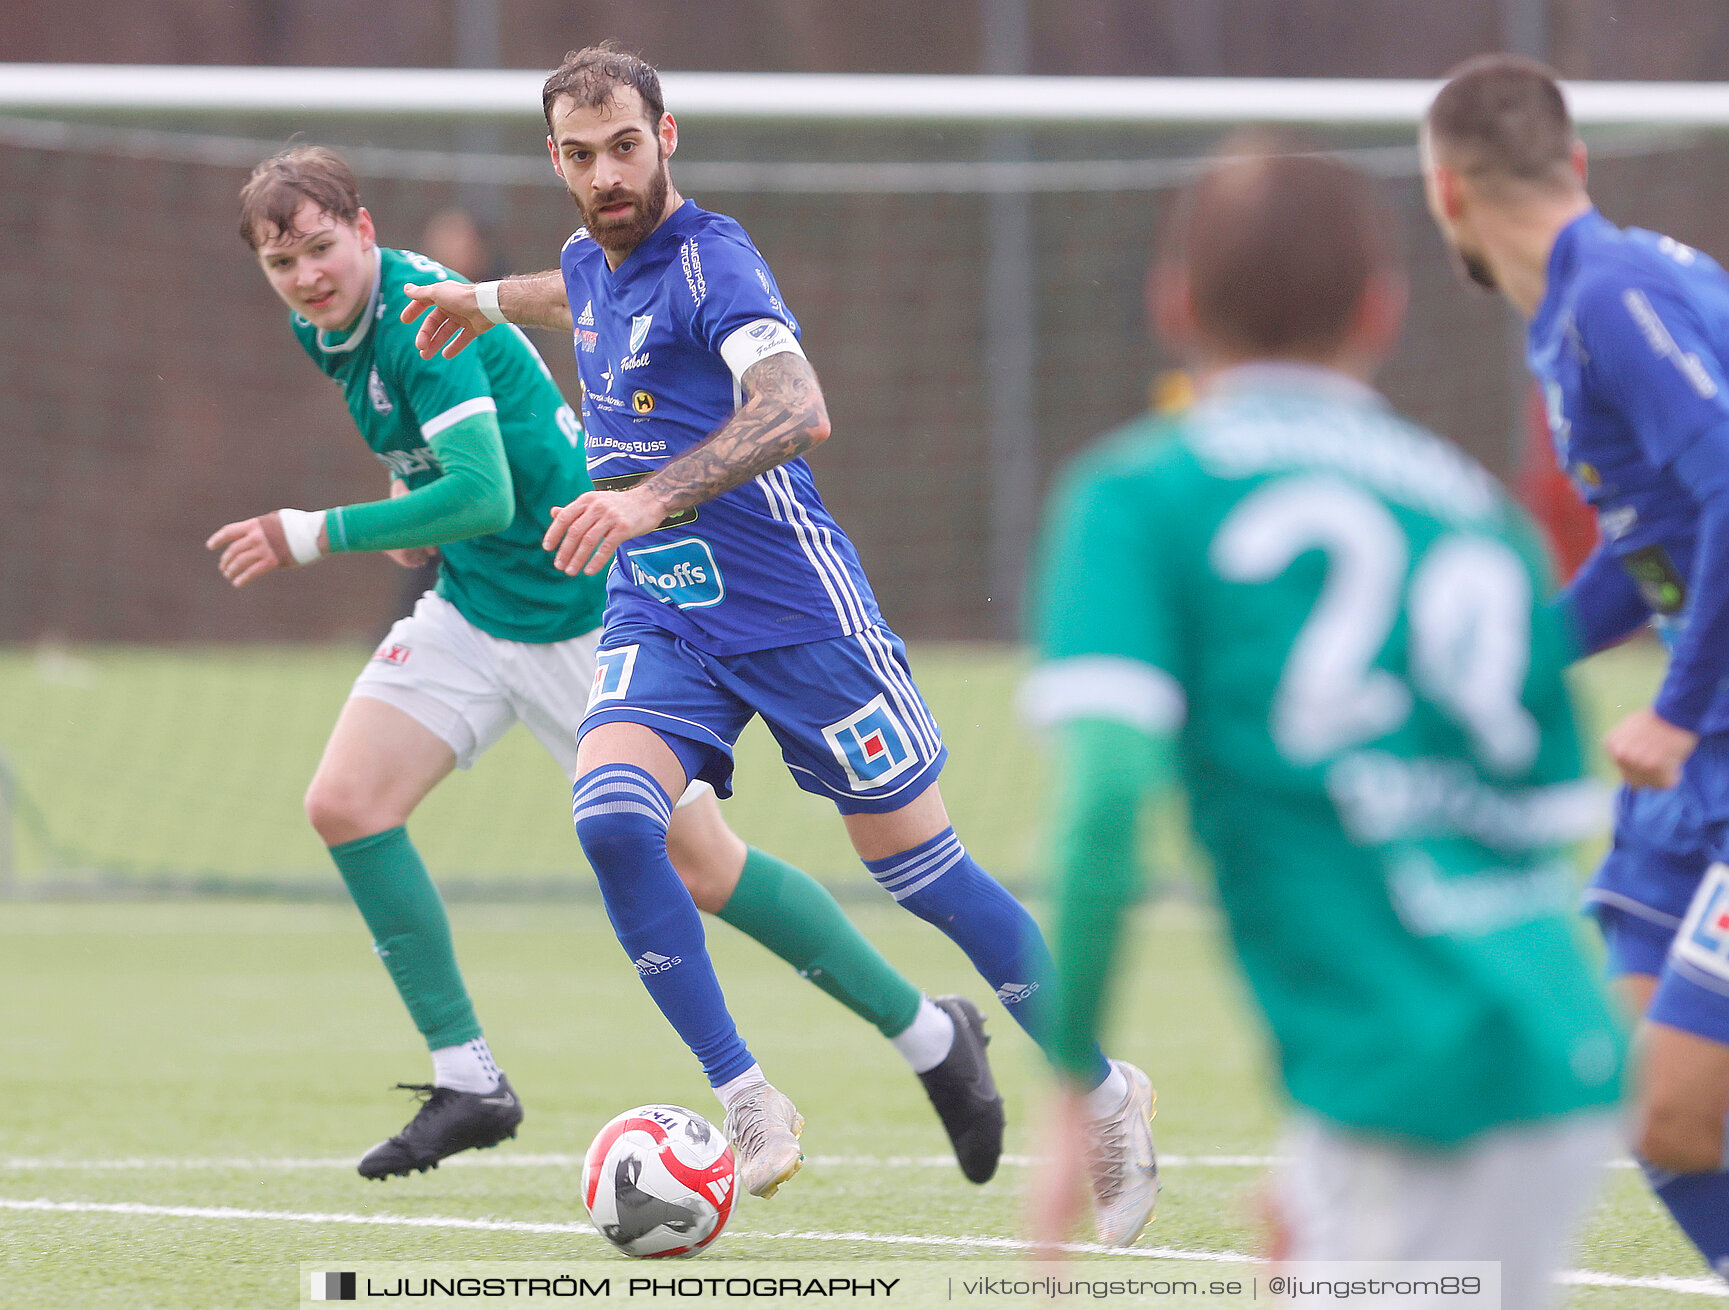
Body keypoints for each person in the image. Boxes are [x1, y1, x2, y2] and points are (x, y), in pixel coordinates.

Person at [398, 42, 1159, 1235]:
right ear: (556, 158)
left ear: (669, 137)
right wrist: (480, 299)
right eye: (582, 156)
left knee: (922, 873)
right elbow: (575, 289)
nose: (608, 176)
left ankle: (1105, 1090)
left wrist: (650, 495)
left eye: (627, 148)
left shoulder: (715, 258)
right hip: (664, 612)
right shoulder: (588, 260)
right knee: (610, 817)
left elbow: (799, 405)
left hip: (798, 614)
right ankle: (747, 1098)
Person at [207, 145, 1004, 1188]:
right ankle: (470, 1080)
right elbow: (442, 466)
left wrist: (313, 530)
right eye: (284, 264)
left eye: (322, 248)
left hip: (583, 605)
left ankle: (931, 1035)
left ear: (364, 231)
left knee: (704, 866)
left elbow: (485, 494)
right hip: (477, 606)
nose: (308, 276)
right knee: (347, 801)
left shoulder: (409, 308)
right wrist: (413, 513)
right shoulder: (328, 325)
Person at [1023, 143, 1625, 1297]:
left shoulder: (1141, 494)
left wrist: (1069, 1088)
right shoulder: (1481, 513)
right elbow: (1523, 824)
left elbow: (1104, 798)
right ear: (1383, 310)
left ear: (1175, 304)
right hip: (1552, 1048)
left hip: (1413, 1097)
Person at [1424, 54, 1729, 1306]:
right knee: (1637, 1108)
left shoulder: (1613, 296)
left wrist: (1676, 708)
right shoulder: (1577, 312)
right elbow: (1661, 558)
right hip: (1709, 768)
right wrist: (1495, 669)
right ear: (1571, 163)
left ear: (1447, 194)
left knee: (1676, 1116)